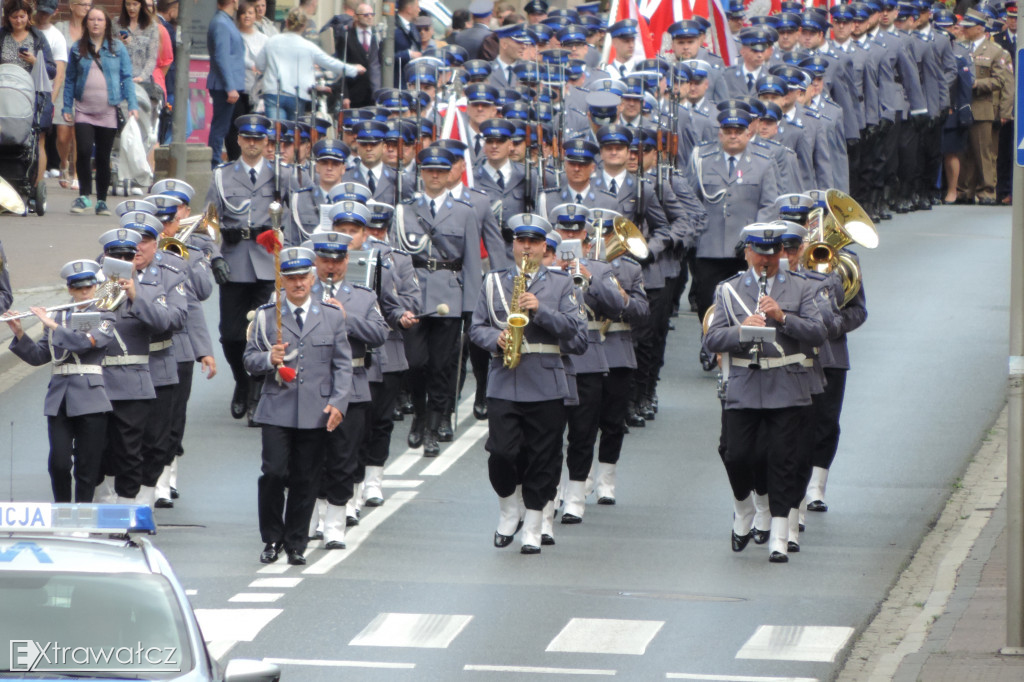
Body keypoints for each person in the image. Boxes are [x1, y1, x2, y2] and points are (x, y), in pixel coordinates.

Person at [704, 224, 827, 564]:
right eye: (759, 252)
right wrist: (742, 333)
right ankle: (745, 506)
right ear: (746, 252)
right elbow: (712, 340)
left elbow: (818, 332)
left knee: (783, 461)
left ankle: (779, 536)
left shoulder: (801, 287)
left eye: (772, 253)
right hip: (744, 384)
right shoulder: (728, 289)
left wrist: (782, 317)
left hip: (787, 385)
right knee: (738, 455)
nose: (766, 260)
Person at [469, 215, 588, 554]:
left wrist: (542, 311)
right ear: (513, 245)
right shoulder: (494, 282)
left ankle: (534, 524)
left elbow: (578, 338)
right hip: (505, 379)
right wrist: (497, 339)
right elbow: (476, 328)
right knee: (502, 452)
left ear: (544, 248)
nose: (527, 248)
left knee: (544, 457)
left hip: (547, 380)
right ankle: (509, 508)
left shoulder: (563, 284)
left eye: (534, 243)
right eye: (521, 242)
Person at [244, 246, 353, 566]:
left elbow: (342, 366)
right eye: (291, 278)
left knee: (307, 477)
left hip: (315, 410)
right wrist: (269, 359)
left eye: (304, 277)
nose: (298, 284)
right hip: (277, 407)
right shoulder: (267, 315)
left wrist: (338, 403)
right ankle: (271, 537)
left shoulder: (331, 315)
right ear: (282, 280)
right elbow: (249, 360)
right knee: (274, 473)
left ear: (313, 277)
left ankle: (296, 542)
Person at [395, 147, 482, 456]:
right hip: (414, 295)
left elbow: (472, 262)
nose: (434, 175)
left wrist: (471, 309)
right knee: (416, 363)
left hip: (450, 297)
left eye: (440, 171)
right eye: (429, 170)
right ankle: (419, 412)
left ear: (449, 175)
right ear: (422, 173)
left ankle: (433, 427)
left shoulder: (464, 211)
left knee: (442, 367)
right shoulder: (404, 211)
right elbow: (397, 259)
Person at [306, 224, 388, 548]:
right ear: (315, 260)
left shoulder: (363, 296)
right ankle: (312, 516)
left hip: (351, 385)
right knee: (311, 457)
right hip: (310, 385)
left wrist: (346, 319)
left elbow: (380, 334)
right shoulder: (302, 292)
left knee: (343, 458)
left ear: (346, 260)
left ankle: (336, 522)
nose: (331, 266)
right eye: (325, 259)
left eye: (338, 259)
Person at [5, 260, 115, 503]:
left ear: (96, 287)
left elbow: (84, 343)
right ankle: (62, 512)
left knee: (87, 467)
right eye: (78, 288)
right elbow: (39, 357)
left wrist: (51, 324)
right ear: (70, 290)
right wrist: (20, 333)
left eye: (88, 287)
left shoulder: (105, 316)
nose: (84, 292)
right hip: (60, 398)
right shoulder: (59, 316)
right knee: (58, 463)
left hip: (91, 399)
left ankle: (83, 515)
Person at [203, 113, 288, 422]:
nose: (253, 144)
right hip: (235, 261)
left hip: (270, 263)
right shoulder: (222, 176)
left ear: (267, 142)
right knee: (231, 335)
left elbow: (292, 221)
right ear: (238, 140)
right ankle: (241, 381)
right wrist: (215, 256)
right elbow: (210, 222)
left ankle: (256, 393)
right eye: (247, 138)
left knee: (265, 333)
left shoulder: (283, 175)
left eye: (259, 139)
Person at [63, 6, 137, 216]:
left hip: (108, 111)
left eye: (100, 20)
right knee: (84, 151)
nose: (96, 23)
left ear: (106, 24)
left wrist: (132, 104)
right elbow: (69, 80)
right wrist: (67, 106)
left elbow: (126, 77)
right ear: (86, 23)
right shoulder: (78, 48)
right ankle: (85, 195)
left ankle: (102, 200)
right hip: (84, 109)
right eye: (92, 19)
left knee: (103, 157)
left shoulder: (117, 48)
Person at [255, 7, 364, 121]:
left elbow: (259, 65)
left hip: (273, 91)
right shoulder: (308, 47)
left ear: (287, 23)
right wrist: (353, 69)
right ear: (304, 26)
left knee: (275, 131)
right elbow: (330, 63)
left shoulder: (272, 41)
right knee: (294, 132)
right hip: (296, 93)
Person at [957, 9, 1014, 205]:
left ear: (980, 28)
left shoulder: (996, 51)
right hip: (962, 106)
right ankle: (965, 190)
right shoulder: (960, 47)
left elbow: (1002, 81)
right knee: (964, 152)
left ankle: (987, 191)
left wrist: (977, 85)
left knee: (984, 153)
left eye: (969, 27)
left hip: (983, 106)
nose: (964, 30)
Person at [54, 0, 91, 189]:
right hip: (64, 85)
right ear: (71, 6)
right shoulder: (60, 28)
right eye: (82, 4)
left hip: (85, 86)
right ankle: (63, 163)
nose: (86, 8)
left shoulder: (92, 30)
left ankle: (77, 173)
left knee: (80, 133)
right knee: (63, 135)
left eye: (88, 4)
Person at [207, 0, 246, 169]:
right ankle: (214, 162)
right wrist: (230, 87)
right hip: (224, 86)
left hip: (228, 84)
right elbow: (221, 57)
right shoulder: (221, 23)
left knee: (225, 127)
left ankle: (218, 161)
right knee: (220, 128)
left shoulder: (225, 21)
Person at [33, 1, 66, 192]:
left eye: (47, 12)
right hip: (20, 90)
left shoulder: (56, 37)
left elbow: (59, 74)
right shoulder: (27, 28)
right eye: (40, 11)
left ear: (55, 12)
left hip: (43, 92)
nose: (42, 15)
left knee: (40, 140)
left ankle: (37, 186)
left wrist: (50, 101)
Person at [335, 3, 381, 109]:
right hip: (354, 93)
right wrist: (345, 95)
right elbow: (341, 66)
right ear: (356, 16)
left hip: (373, 95)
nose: (370, 17)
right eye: (365, 15)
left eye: (372, 14)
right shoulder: (346, 37)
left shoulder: (377, 36)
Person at [237, 0, 267, 116]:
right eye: (244, 13)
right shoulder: (235, 35)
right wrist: (252, 66)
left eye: (250, 13)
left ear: (255, 16)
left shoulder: (264, 38)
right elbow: (238, 57)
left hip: (259, 89)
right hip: (240, 87)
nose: (247, 16)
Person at [393, 0, 421, 87]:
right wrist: (408, 54)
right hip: (398, 81)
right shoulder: (393, 27)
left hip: (412, 79)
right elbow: (385, 57)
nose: (419, 10)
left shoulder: (412, 26)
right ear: (409, 9)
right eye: (417, 7)